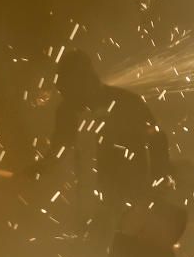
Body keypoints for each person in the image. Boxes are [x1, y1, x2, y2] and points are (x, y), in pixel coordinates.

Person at [27, 49, 171, 217]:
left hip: (132, 196)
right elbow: (58, 151)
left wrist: (158, 178)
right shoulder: (67, 111)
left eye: (69, 90)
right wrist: (33, 173)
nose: (66, 96)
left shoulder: (126, 103)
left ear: (86, 80)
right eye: (63, 91)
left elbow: (157, 138)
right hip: (89, 200)